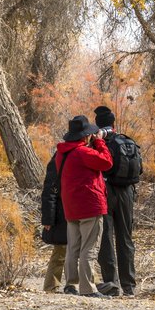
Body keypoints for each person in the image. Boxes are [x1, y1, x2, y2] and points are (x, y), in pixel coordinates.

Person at [56, 115, 113, 298]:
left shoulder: (62, 153)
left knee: (73, 247)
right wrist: (100, 143)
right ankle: (88, 288)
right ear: (85, 136)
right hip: (90, 205)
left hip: (71, 206)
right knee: (89, 247)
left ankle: (71, 284)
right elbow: (106, 163)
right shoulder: (83, 152)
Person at [93, 106, 142, 297]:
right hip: (127, 193)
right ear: (114, 124)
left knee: (106, 238)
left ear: (97, 125)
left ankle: (111, 283)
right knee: (125, 238)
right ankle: (129, 285)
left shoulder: (99, 142)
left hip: (106, 191)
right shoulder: (128, 141)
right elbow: (140, 169)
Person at [40, 145, 79, 294]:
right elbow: (49, 191)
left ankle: (81, 284)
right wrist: (48, 219)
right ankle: (51, 286)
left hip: (75, 210)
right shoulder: (58, 159)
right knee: (61, 250)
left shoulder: (78, 155)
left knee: (84, 250)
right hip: (61, 213)